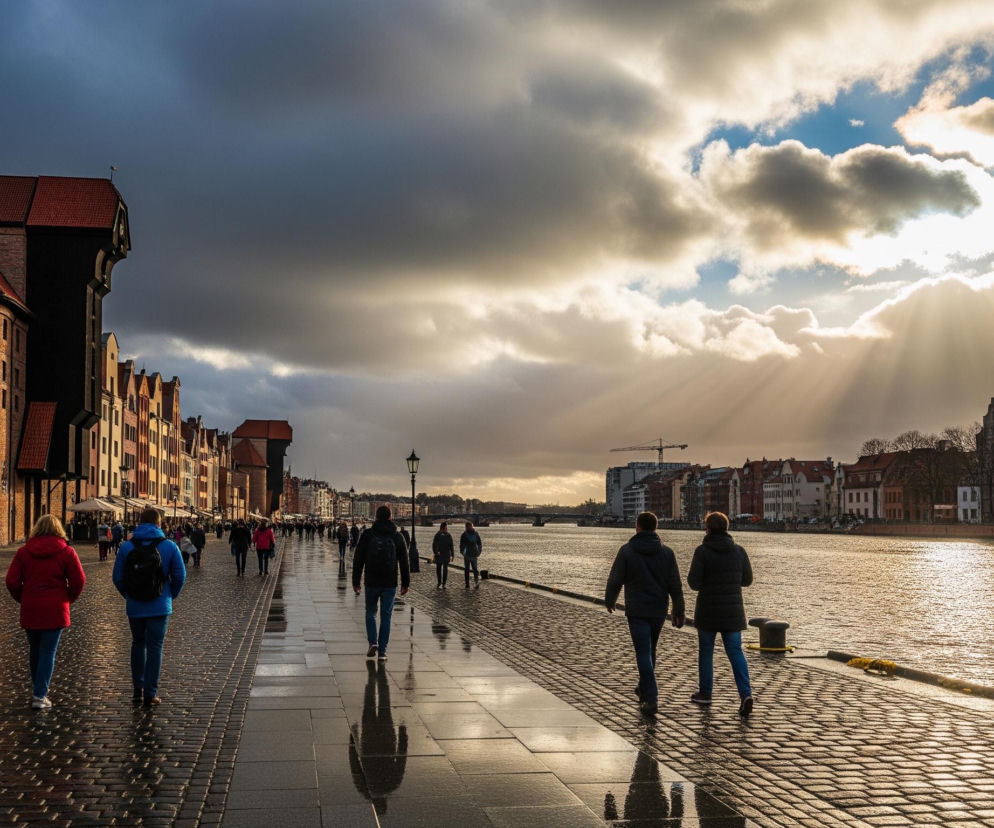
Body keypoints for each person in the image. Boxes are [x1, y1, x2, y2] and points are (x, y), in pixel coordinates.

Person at [604, 511, 685, 715]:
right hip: (658, 610)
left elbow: (615, 579)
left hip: (637, 610)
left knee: (643, 651)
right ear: (655, 527)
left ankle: (651, 696)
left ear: (637, 527)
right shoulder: (667, 553)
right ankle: (643, 688)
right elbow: (675, 585)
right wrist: (678, 608)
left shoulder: (627, 551)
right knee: (651, 650)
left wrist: (610, 600)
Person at [5, 515, 86, 709]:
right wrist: (68, 598)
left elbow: (11, 581)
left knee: (35, 650)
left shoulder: (24, 552)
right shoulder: (66, 552)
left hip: (31, 606)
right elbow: (79, 580)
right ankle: (40, 695)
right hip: (55, 607)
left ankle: (37, 689)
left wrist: (22, 597)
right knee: (48, 651)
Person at [113, 507, 186, 707]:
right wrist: (171, 595)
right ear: (159, 524)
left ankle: (137, 689)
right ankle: (150, 693)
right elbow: (180, 576)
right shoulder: (170, 546)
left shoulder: (127, 547)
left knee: (138, 644)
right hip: (160, 605)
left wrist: (129, 595)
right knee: (155, 647)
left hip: (135, 605)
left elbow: (117, 578)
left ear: (139, 522)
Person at [687, 511, 754, 716]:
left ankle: (706, 693)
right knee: (736, 653)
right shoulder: (739, 551)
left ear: (707, 528)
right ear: (727, 527)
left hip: (708, 611)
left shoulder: (702, 552)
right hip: (733, 612)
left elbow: (693, 583)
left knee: (706, 653)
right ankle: (745, 693)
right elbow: (747, 580)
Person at [352, 505, 410, 661]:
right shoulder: (398, 537)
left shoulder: (368, 535)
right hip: (390, 582)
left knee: (370, 613)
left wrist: (355, 581)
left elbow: (358, 559)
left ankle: (373, 642)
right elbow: (404, 562)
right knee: (386, 616)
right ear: (390, 517)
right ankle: (383, 652)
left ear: (376, 517)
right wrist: (406, 583)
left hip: (371, 581)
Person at [459, 521, 483, 588]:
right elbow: (461, 545)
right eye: (469, 527)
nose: (471, 528)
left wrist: (479, 552)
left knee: (475, 570)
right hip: (467, 555)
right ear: (467, 527)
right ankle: (467, 583)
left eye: (471, 526)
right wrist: (463, 553)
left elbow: (479, 544)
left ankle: (476, 582)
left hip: (474, 554)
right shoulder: (464, 535)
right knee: (467, 570)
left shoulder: (476, 534)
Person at [432, 522, 454, 589]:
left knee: (445, 569)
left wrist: (452, 555)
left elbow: (451, 545)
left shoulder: (448, 535)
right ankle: (439, 582)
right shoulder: (437, 535)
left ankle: (444, 583)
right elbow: (434, 545)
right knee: (439, 569)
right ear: (443, 528)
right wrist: (436, 552)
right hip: (439, 555)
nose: (447, 529)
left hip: (446, 555)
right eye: (446, 528)